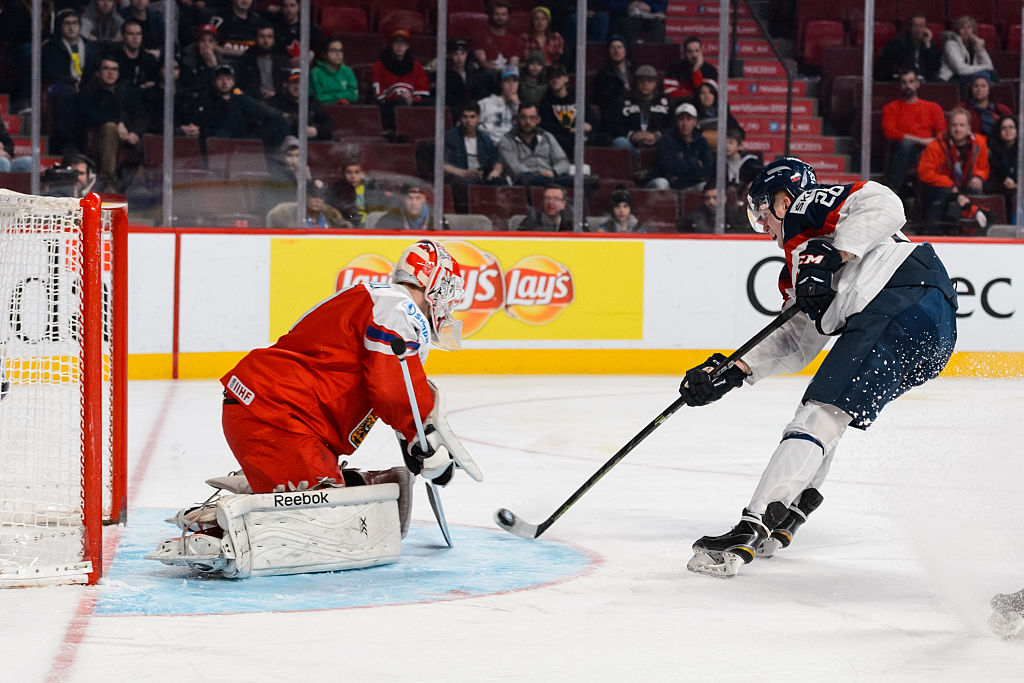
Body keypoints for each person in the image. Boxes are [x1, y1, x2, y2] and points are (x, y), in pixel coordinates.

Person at [681, 157, 957, 578]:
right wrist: (734, 371)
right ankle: (788, 513)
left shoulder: (807, 210)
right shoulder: (798, 264)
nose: (764, 227)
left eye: (761, 212)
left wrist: (833, 252)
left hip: (901, 298)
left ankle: (749, 530)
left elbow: (886, 203)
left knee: (818, 413)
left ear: (782, 198)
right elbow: (797, 339)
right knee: (831, 415)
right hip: (928, 329)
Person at [218, 238, 476, 493]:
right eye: (449, 292)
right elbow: (391, 389)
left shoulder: (379, 299)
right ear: (436, 284)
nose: (449, 305)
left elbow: (386, 383)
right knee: (325, 515)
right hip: (277, 415)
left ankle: (262, 488)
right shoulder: (400, 311)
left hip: (272, 409)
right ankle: (224, 521)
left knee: (335, 501)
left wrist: (412, 438)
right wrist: (419, 438)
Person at [77, 56, 148, 192]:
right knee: (110, 128)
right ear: (98, 72)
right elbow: (89, 116)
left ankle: (141, 185)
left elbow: (142, 115)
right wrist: (117, 124)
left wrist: (136, 133)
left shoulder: (126, 92)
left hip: (128, 136)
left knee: (151, 138)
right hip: (101, 138)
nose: (111, 73)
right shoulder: (89, 93)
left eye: (114, 69)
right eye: (106, 69)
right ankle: (107, 181)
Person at [917, 107, 989, 230]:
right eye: (954, 125)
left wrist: (978, 177)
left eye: (962, 125)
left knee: (979, 189)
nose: (958, 129)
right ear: (949, 126)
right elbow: (925, 173)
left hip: (966, 185)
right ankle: (931, 231)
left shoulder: (979, 143)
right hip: (941, 190)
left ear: (969, 127)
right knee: (942, 194)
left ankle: (978, 227)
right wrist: (949, 185)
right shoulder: (936, 145)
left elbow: (983, 167)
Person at [880, 67, 945, 197]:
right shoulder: (891, 108)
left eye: (911, 81)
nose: (907, 85)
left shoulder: (932, 107)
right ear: (900, 85)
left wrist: (931, 143)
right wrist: (920, 140)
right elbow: (890, 132)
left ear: (917, 84)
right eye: (904, 82)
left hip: (928, 150)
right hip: (903, 151)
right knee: (906, 144)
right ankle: (895, 188)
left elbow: (942, 132)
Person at [42, 9, 100, 153]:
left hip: (85, 87)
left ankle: (83, 148)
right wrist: (71, 81)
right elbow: (49, 73)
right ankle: (67, 144)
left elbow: (95, 71)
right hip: (58, 87)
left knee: (89, 97)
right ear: (60, 26)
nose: (71, 27)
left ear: (80, 26)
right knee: (67, 93)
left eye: (74, 23)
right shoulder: (51, 47)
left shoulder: (90, 47)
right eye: (67, 23)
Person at [191, 64, 289, 148]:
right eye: (220, 78)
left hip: (243, 146)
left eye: (228, 79)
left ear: (233, 82)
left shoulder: (241, 99)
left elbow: (263, 110)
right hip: (218, 146)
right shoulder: (206, 100)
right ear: (214, 82)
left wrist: (281, 114)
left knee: (281, 121)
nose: (224, 82)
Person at [444, 102, 506, 213]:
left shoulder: (485, 139)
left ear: (478, 118)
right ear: (460, 118)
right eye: (465, 117)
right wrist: (465, 173)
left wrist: (496, 171)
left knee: (501, 182)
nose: (469, 121)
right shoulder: (449, 138)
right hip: (461, 178)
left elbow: (497, 160)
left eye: (472, 117)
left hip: (481, 177)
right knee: (464, 183)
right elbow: (443, 165)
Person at [372, 27, 433, 132]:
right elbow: (379, 94)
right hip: (389, 105)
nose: (399, 46)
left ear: (407, 46)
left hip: (412, 105)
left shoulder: (417, 67)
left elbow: (422, 92)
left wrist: (412, 99)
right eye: (396, 43)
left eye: (403, 43)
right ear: (391, 45)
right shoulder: (378, 66)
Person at [608, 64, 671, 162]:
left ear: (655, 83)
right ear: (636, 82)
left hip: (657, 147)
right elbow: (613, 125)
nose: (645, 83)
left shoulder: (666, 102)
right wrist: (632, 135)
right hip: (632, 146)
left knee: (669, 142)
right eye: (641, 80)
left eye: (649, 80)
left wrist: (657, 135)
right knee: (620, 142)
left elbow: (673, 126)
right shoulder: (623, 101)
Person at [498, 103, 572, 187]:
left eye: (532, 118)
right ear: (517, 119)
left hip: (551, 178)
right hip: (525, 181)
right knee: (526, 177)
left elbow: (563, 161)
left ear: (538, 120)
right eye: (523, 117)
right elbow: (515, 168)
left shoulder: (547, 136)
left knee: (581, 180)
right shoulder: (507, 140)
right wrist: (537, 176)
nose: (527, 122)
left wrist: (553, 172)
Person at [649, 102, 711, 190]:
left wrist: (682, 170)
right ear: (676, 121)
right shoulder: (666, 140)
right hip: (670, 184)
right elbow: (668, 167)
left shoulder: (701, 141)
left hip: (691, 184)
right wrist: (696, 164)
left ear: (695, 121)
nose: (685, 124)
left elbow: (707, 168)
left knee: (704, 187)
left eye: (689, 119)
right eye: (681, 119)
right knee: (661, 183)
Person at [538, 63, 593, 155]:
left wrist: (586, 126)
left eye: (558, 76)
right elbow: (546, 126)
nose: (555, 80)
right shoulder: (546, 101)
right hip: (561, 139)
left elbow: (591, 120)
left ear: (566, 78)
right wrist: (569, 130)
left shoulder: (577, 98)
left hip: (580, 136)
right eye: (551, 77)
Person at [268, 68, 334, 141]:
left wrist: (316, 131)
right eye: (294, 83)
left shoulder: (313, 102)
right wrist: (300, 131)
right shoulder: (275, 102)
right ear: (285, 84)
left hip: (313, 144)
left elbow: (328, 124)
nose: (297, 87)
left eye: (301, 83)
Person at [875, 13, 942, 82]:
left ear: (926, 29)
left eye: (921, 26)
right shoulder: (898, 44)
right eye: (915, 26)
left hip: (922, 82)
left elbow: (934, 69)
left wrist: (928, 45)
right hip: (903, 81)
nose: (918, 29)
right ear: (910, 28)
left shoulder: (928, 45)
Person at [938, 15, 997, 88]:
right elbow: (960, 70)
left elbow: (990, 65)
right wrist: (984, 68)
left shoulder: (975, 44)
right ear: (958, 30)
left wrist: (979, 47)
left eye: (969, 27)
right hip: (952, 79)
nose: (966, 31)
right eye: (962, 28)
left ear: (973, 30)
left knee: (992, 74)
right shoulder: (951, 44)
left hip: (969, 77)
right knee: (987, 75)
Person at [237, 20, 289, 101]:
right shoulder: (246, 61)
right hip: (255, 101)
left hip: (279, 101)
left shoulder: (282, 62)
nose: (266, 41)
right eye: (262, 36)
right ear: (255, 39)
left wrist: (276, 95)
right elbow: (243, 87)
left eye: (269, 37)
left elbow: (288, 86)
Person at [446, 38, 494, 119]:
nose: (459, 58)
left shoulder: (474, 74)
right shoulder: (446, 75)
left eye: (463, 53)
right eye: (455, 54)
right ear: (450, 55)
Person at [473, 0, 524, 73]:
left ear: (508, 17)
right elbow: (482, 63)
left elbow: (513, 65)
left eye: (503, 14)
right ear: (491, 15)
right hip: (486, 75)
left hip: (507, 78)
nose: (500, 18)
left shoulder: (515, 41)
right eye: (497, 14)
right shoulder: (481, 37)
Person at [984, 115, 1018, 223]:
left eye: (1011, 127)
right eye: (1004, 128)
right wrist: (1004, 182)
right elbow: (989, 182)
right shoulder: (991, 152)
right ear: (999, 132)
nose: (1008, 131)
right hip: (999, 189)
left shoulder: (1021, 151)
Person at [592, 36, 631, 127]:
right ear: (608, 52)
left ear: (625, 50)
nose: (616, 51)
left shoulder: (635, 69)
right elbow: (602, 100)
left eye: (619, 47)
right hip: (616, 114)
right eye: (613, 48)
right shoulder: (603, 74)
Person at [478, 64, 521, 145]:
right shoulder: (485, 103)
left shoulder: (519, 107)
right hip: (488, 147)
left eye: (515, 81)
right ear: (500, 83)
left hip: (509, 149)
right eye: (507, 80)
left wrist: (517, 108)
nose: (511, 84)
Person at [664, 35, 717, 100]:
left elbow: (708, 96)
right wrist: (694, 95)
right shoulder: (674, 68)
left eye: (697, 51)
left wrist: (696, 71)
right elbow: (669, 92)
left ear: (701, 51)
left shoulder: (710, 70)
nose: (694, 55)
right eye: (690, 51)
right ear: (685, 53)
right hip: (679, 105)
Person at [958, 72, 1011, 138]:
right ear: (971, 89)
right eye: (975, 86)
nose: (979, 89)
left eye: (983, 86)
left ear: (989, 89)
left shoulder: (1002, 110)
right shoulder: (962, 109)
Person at [693, 79, 742, 149]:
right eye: (703, 93)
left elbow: (737, 131)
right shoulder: (694, 113)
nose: (707, 96)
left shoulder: (723, 111)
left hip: (724, 150)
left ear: (715, 95)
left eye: (710, 93)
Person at [116, 20, 160, 94]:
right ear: (123, 36)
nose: (135, 37)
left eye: (138, 34)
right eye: (130, 34)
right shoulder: (115, 58)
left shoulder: (149, 59)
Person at [311, 38, 359, 105]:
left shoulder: (347, 71)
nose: (338, 54)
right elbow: (318, 98)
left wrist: (333, 97)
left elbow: (354, 96)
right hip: (323, 111)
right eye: (333, 51)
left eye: (340, 51)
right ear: (323, 54)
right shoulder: (315, 73)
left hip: (346, 109)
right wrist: (338, 99)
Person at [333, 160, 380, 227]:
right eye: (349, 173)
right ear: (343, 174)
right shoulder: (338, 190)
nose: (353, 176)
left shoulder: (371, 188)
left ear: (362, 174)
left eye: (357, 172)